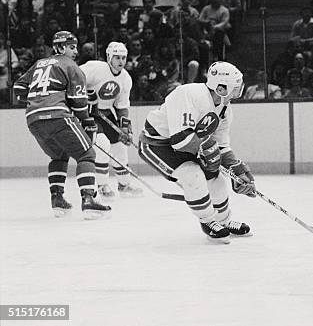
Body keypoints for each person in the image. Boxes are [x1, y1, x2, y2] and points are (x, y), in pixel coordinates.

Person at [138, 61, 254, 243]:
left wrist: (236, 170)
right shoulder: (189, 94)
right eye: (235, 88)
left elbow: (222, 145)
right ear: (221, 88)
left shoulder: (225, 110)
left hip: (191, 144)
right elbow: (180, 139)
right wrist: (209, 152)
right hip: (158, 144)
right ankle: (208, 222)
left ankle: (224, 221)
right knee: (193, 176)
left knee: (216, 178)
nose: (237, 92)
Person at [12, 31, 111, 219]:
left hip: (33, 119)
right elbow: (78, 103)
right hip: (57, 116)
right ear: (60, 47)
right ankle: (88, 199)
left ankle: (57, 199)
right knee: (86, 154)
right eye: (72, 47)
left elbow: (18, 89)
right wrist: (88, 121)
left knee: (59, 155)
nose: (75, 52)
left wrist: (39, 98)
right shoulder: (71, 66)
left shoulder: (39, 64)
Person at [80, 41, 143, 200]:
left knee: (120, 145)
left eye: (123, 58)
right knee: (102, 143)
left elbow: (122, 106)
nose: (121, 61)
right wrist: (87, 96)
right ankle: (101, 186)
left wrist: (125, 128)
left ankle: (124, 184)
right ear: (109, 57)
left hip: (106, 114)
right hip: (88, 115)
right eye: (117, 57)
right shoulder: (95, 68)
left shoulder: (125, 78)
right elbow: (74, 79)